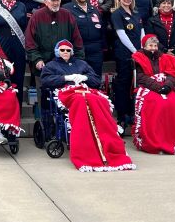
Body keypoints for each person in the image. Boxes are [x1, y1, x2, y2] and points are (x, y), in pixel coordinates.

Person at [41, 40, 134, 172]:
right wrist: (65, 78)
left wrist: (84, 78)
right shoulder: (51, 65)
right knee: (80, 101)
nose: (65, 52)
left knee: (99, 101)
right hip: (67, 92)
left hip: (86, 91)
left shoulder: (82, 64)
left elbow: (95, 80)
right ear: (57, 51)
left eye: (68, 50)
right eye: (62, 50)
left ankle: (108, 136)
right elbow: (45, 81)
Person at [131, 34, 175, 154]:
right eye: (150, 46)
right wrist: (158, 87)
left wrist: (167, 87)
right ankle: (157, 139)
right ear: (144, 46)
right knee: (157, 104)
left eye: (155, 45)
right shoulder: (138, 58)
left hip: (167, 86)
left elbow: (172, 74)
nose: (153, 48)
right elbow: (141, 77)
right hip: (149, 87)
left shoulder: (166, 58)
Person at [110, 0, 144, 131]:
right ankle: (122, 115)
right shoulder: (117, 13)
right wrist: (135, 51)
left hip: (138, 53)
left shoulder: (136, 13)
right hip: (125, 53)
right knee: (123, 84)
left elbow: (142, 31)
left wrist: (143, 49)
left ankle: (133, 113)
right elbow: (121, 34)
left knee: (135, 83)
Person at [63, 0, 105, 77]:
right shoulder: (66, 9)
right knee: (80, 77)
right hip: (78, 49)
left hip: (96, 49)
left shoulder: (94, 9)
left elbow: (101, 28)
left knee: (95, 77)